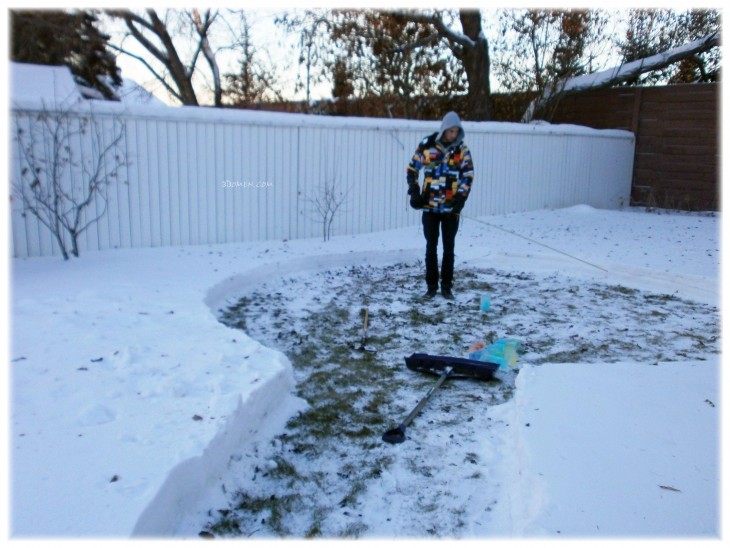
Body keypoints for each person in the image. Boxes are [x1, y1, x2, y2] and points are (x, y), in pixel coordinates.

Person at [407, 111, 474, 300]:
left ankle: (446, 287)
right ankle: (431, 286)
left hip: (450, 209)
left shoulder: (461, 150)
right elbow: (412, 169)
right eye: (450, 131)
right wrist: (415, 192)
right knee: (431, 246)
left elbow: (468, 175)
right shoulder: (427, 145)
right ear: (444, 129)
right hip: (430, 208)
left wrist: (460, 200)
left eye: (456, 131)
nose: (453, 134)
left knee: (449, 248)